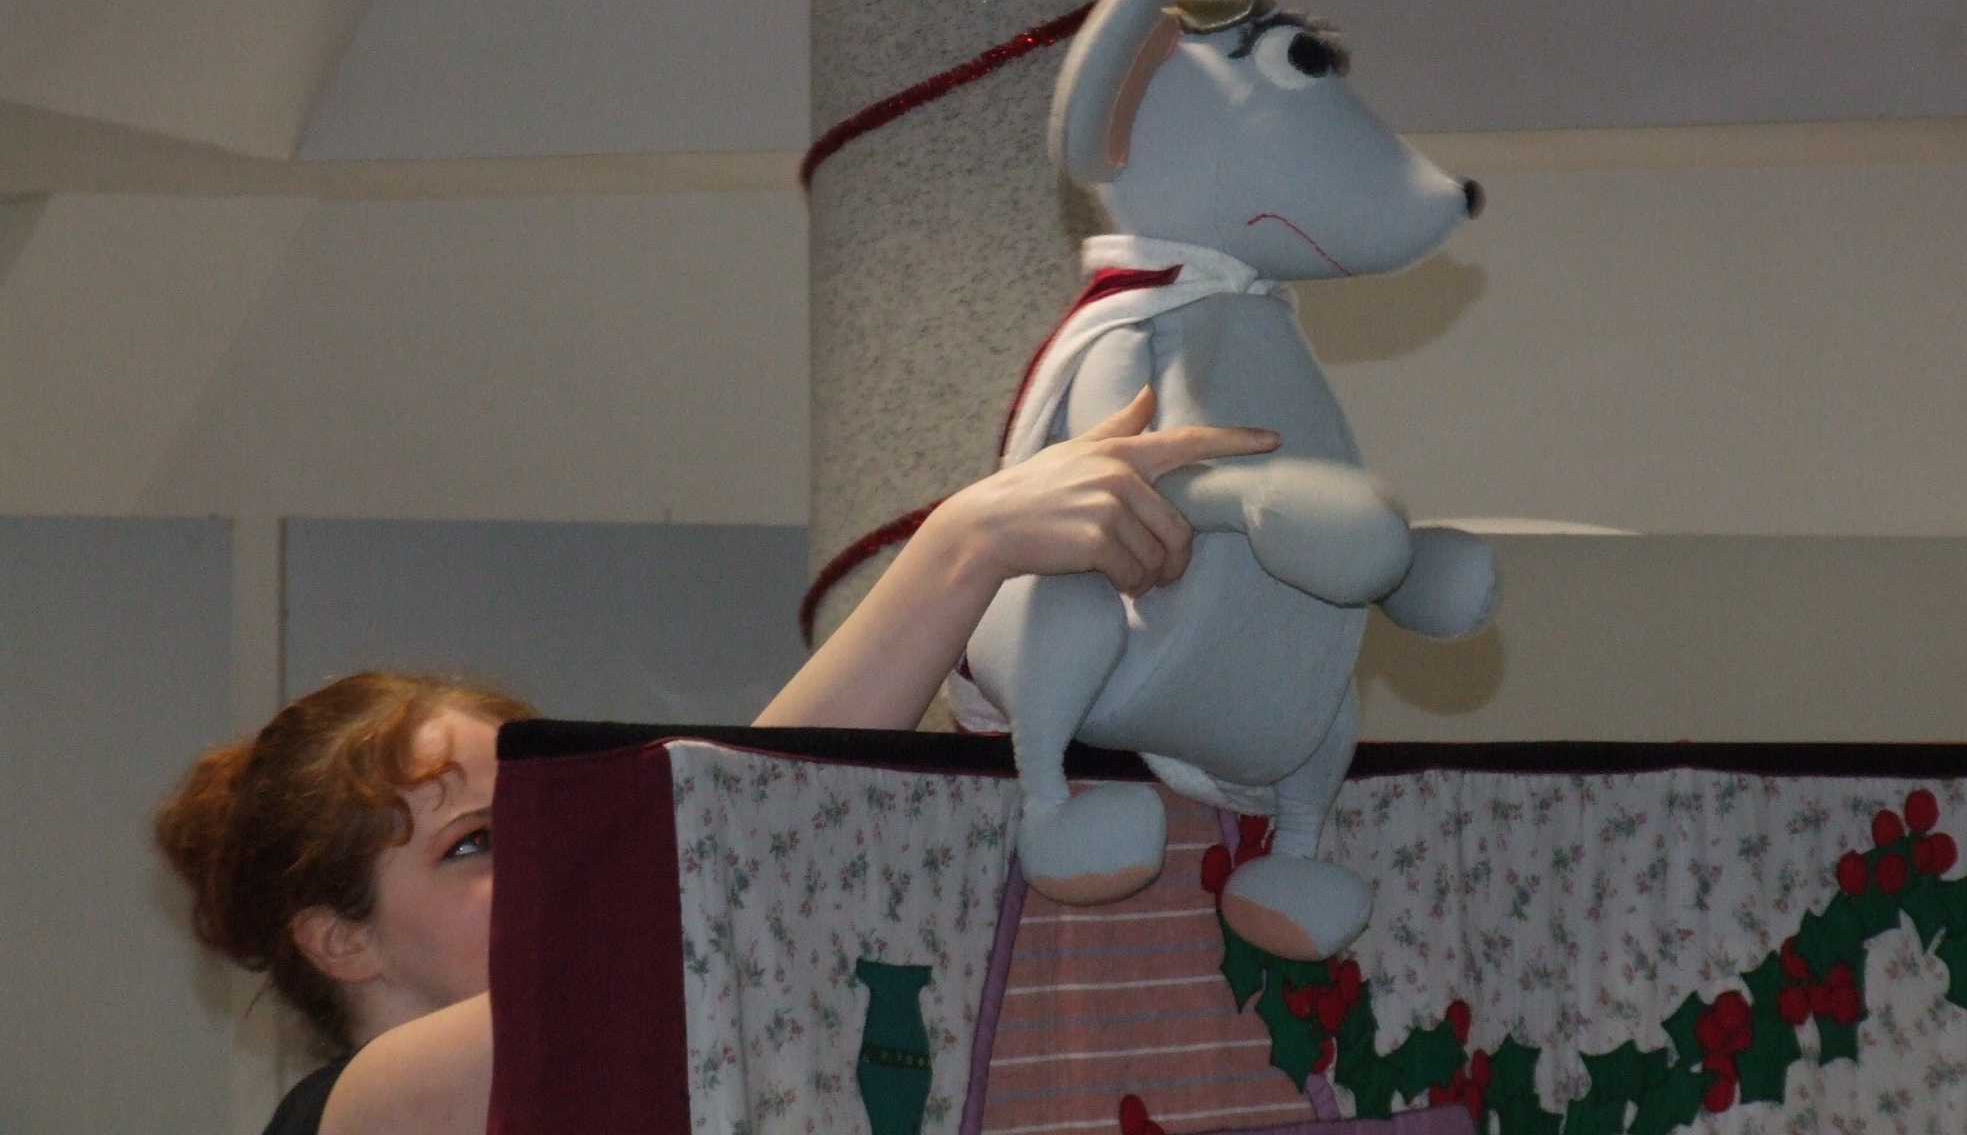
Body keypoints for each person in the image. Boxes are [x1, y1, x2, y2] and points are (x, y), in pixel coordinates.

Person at [157, 388, 1276, 1135]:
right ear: (340, 939)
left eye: (535, 824)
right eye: (474, 844)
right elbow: (720, 856)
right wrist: (965, 546)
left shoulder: (658, 1057)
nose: (543, 865)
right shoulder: (358, 1109)